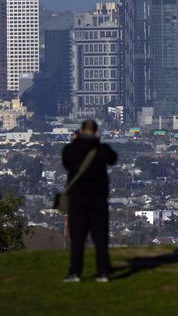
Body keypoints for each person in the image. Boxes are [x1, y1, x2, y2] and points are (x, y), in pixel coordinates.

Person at [61, 119, 118, 282]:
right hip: (98, 200)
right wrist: (97, 141)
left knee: (77, 239)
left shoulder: (71, 150)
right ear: (96, 132)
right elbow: (113, 159)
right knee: (100, 238)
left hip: (77, 200)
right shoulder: (101, 150)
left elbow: (66, 162)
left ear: (80, 131)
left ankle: (75, 272)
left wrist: (75, 142)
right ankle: (103, 272)